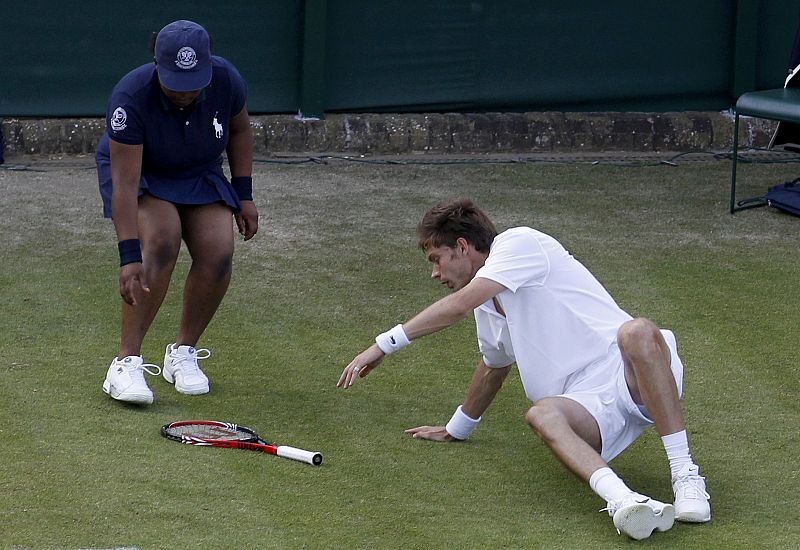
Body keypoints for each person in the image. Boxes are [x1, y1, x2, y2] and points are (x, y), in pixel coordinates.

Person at [338, 198, 710, 540]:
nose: (435, 273)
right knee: (541, 414)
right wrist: (457, 428)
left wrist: (382, 345)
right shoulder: (488, 310)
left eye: (437, 258)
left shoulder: (520, 243)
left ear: (463, 247)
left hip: (633, 376)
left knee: (638, 332)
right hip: (589, 409)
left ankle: (685, 476)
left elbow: (457, 306)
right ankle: (626, 502)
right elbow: (492, 367)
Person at [96, 20, 258, 405]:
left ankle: (182, 353)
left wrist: (244, 194)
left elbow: (239, 131)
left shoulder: (227, 79)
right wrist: (129, 256)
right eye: (175, 84)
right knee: (163, 239)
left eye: (193, 83)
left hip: (197, 171)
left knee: (219, 251)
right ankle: (125, 363)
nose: (185, 93)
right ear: (157, 65)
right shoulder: (130, 96)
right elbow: (124, 184)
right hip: (144, 173)